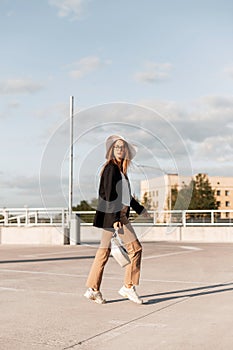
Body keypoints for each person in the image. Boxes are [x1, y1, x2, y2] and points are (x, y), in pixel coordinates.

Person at [84, 135, 149, 304]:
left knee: (103, 251)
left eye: (122, 147)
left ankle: (93, 289)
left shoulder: (121, 171)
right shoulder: (111, 169)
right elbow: (107, 194)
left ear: (126, 151)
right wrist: (114, 218)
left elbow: (127, 197)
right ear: (112, 151)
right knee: (136, 249)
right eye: (117, 147)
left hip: (116, 215)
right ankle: (128, 287)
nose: (120, 149)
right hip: (115, 216)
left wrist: (141, 210)